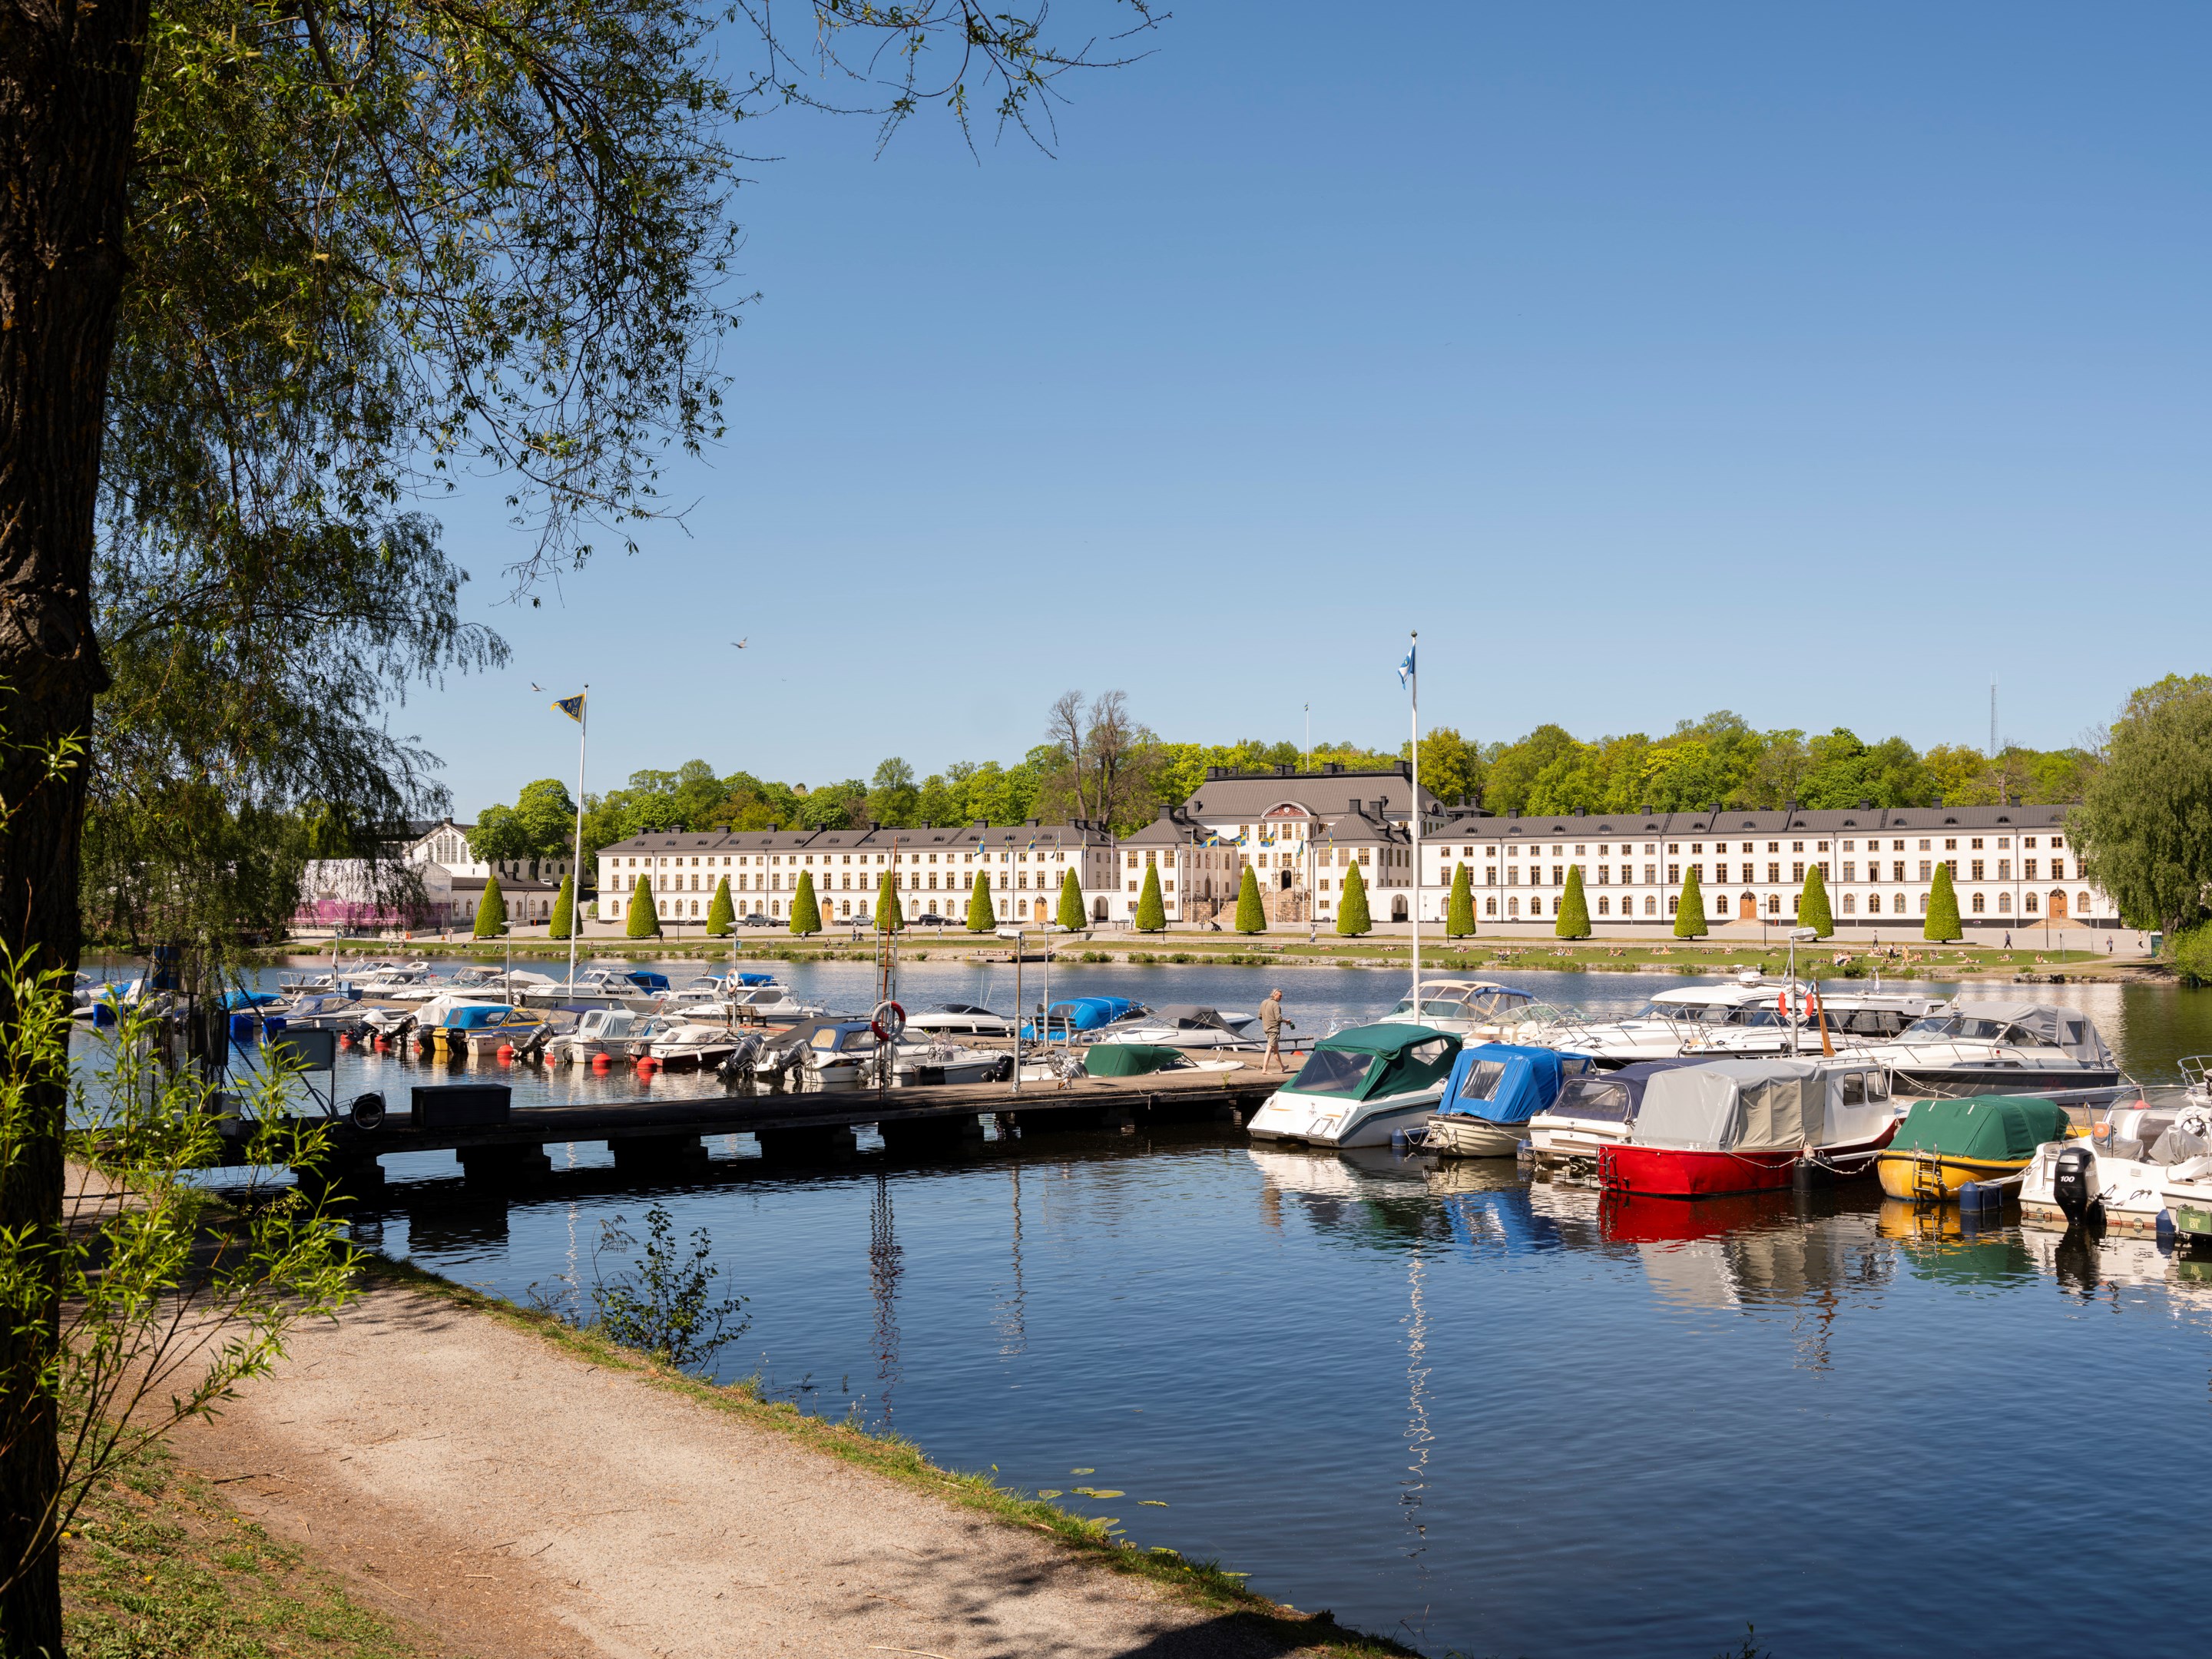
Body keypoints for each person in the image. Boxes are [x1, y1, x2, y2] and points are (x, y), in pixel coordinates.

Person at [1259, 988, 1292, 1073]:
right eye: (1280, 996)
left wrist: (1267, 1021)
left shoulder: (1264, 1002)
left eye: (1281, 996)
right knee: (1269, 1049)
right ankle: (1264, 1069)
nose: (1281, 998)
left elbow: (1260, 1016)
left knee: (1276, 1049)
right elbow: (1279, 1018)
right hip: (1273, 1030)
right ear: (1274, 995)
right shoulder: (1276, 1005)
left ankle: (1282, 1067)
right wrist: (1287, 1022)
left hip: (1266, 1028)